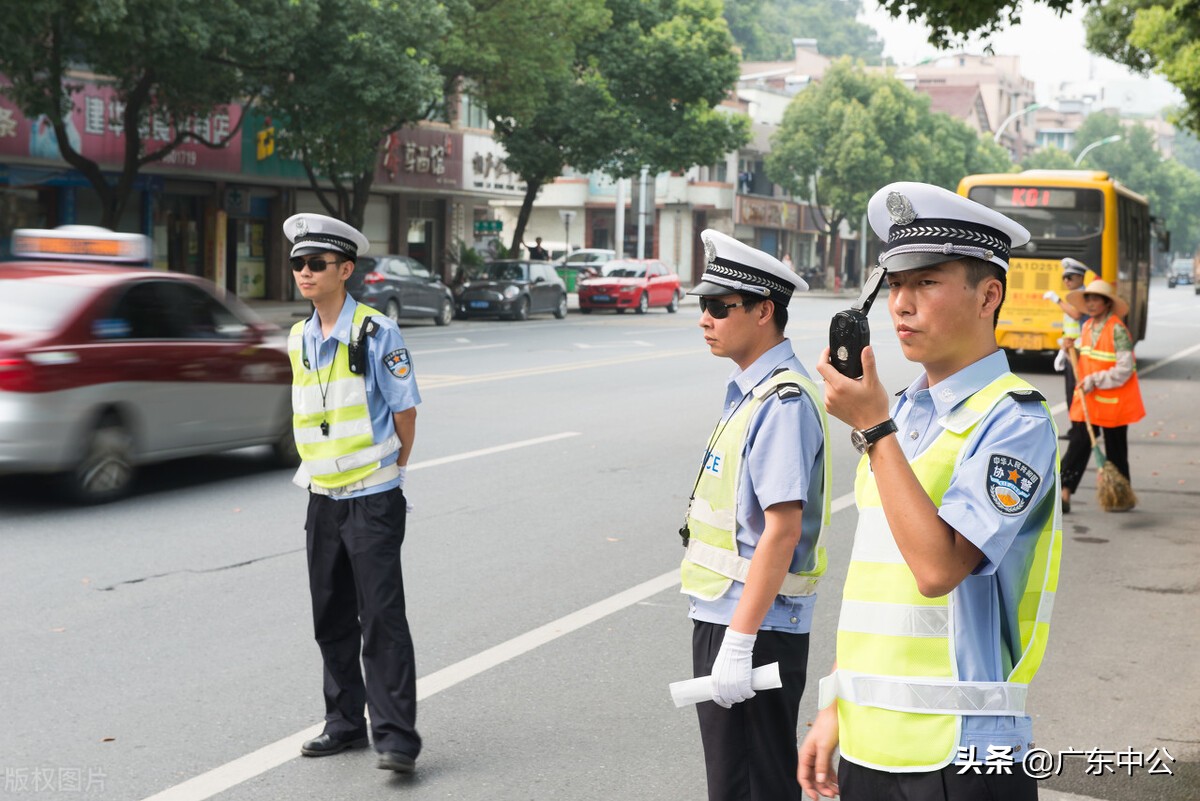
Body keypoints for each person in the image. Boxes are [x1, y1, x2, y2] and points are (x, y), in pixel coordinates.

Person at [801, 182, 1062, 801]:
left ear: (988, 295)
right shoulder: (902, 415)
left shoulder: (1015, 419)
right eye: (895, 286)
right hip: (870, 740)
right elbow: (878, 583)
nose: (901, 306)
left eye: (927, 283)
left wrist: (872, 426)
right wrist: (835, 705)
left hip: (962, 751)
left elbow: (937, 568)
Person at [681, 229, 830, 801]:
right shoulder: (753, 391)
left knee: (749, 785)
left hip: (754, 625)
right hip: (738, 614)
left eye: (719, 307)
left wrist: (739, 643)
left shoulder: (781, 402)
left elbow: (782, 528)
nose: (705, 319)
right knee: (740, 781)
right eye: (703, 306)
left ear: (765, 311)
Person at [284, 213, 422, 774]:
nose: (305, 272)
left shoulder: (375, 331)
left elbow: (406, 412)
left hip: (371, 495)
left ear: (345, 269)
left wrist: (391, 469)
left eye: (317, 264)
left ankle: (396, 739)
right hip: (321, 495)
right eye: (298, 263)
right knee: (331, 615)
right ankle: (344, 723)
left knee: (382, 618)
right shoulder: (298, 336)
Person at [1059, 279, 1145, 513]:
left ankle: (1120, 494)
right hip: (1088, 400)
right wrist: (1069, 350)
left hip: (1112, 401)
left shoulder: (1118, 330)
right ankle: (1064, 492)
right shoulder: (1086, 327)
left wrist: (1096, 380)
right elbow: (1084, 359)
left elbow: (1125, 369)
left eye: (1096, 299)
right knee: (1078, 444)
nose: (1091, 303)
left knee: (1116, 448)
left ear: (1107, 303)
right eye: (1088, 299)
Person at [1043, 257, 1090, 408]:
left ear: (1081, 277)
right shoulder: (1072, 296)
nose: (1067, 281)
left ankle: (1080, 431)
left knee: (1077, 391)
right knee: (1070, 391)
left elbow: (1076, 315)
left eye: (1070, 277)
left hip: (1080, 351)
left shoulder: (1083, 295)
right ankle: (1075, 430)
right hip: (1071, 349)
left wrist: (1057, 300)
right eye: (1064, 278)